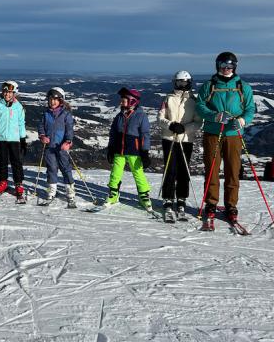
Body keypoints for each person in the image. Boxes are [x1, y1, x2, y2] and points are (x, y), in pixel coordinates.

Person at [195, 51, 256, 224]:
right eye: (223, 66)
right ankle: (211, 203)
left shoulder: (243, 86)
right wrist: (214, 116)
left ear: (235, 67)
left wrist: (243, 120)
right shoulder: (209, 85)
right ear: (217, 66)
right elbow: (200, 106)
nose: (226, 69)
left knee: (233, 170)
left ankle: (231, 205)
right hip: (213, 132)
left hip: (233, 134)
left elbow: (250, 108)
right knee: (212, 169)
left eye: (230, 66)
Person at [156, 70, 202, 220]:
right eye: (179, 82)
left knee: (184, 169)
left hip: (186, 139)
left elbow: (198, 122)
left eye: (184, 83)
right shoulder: (168, 98)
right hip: (169, 138)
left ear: (189, 83)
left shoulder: (193, 100)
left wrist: (185, 128)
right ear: (174, 82)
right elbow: (160, 118)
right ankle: (168, 198)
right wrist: (170, 125)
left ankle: (181, 198)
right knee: (170, 169)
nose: (182, 85)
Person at [105, 87, 153, 211]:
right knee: (115, 172)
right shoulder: (119, 116)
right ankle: (113, 194)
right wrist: (110, 148)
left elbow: (145, 134)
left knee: (138, 173)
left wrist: (145, 151)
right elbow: (113, 133)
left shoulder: (141, 116)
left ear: (132, 101)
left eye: (124, 100)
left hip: (134, 151)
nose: (121, 102)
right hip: (119, 150)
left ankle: (143, 196)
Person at [0, 81, 27, 201]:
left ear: (14, 93)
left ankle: (18, 183)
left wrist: (23, 138)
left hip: (14, 139)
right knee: (2, 161)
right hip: (1, 138)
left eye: (10, 92)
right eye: (5, 92)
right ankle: (2, 181)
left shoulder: (18, 107)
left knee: (16, 162)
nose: (7, 94)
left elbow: (21, 123)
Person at [38, 87, 77, 207]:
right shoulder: (46, 114)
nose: (52, 102)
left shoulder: (65, 114)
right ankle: (51, 191)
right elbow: (41, 126)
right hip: (50, 147)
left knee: (65, 168)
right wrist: (42, 136)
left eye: (55, 99)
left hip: (61, 147)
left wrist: (68, 141)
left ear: (61, 100)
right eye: (50, 99)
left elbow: (69, 129)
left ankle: (70, 192)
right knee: (51, 169)